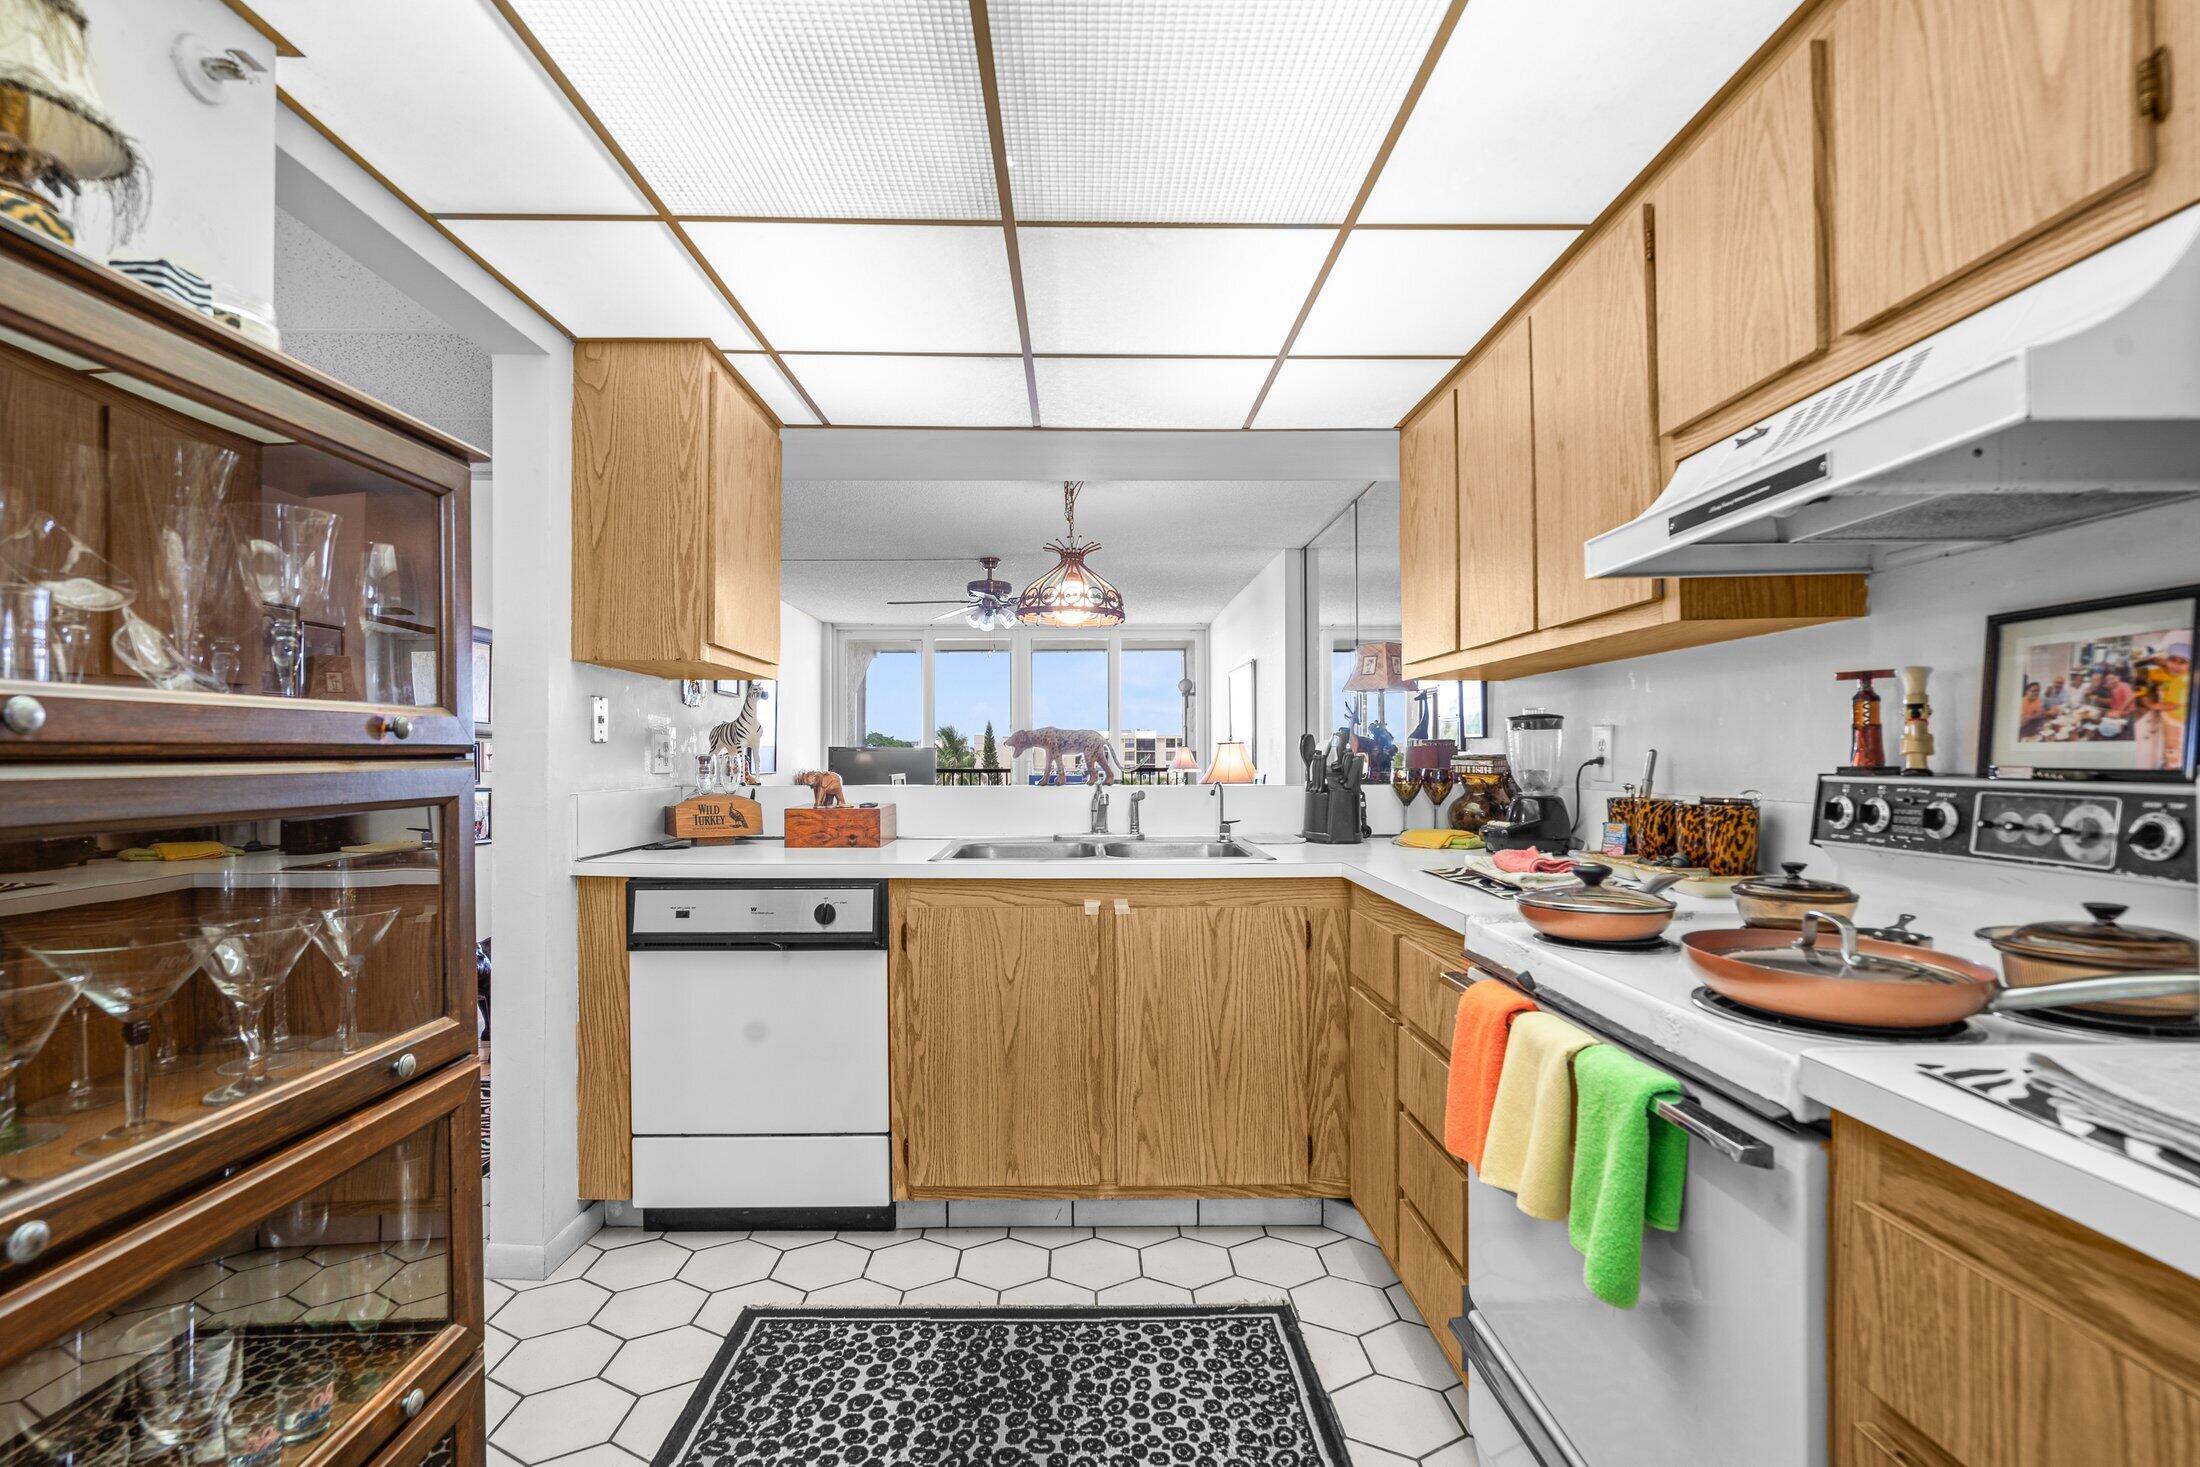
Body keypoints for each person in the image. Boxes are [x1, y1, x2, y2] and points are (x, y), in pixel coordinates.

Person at [2135, 641, 2191, 770]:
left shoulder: (2184, 680)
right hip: (2172, 717)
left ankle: (2173, 767)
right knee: (2172, 744)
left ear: (2191, 664)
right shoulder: (2174, 674)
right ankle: (2172, 762)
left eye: (2182, 662)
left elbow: (2173, 705)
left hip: (2177, 720)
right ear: (2167, 661)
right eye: (2173, 660)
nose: (2176, 665)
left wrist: (2152, 704)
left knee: (2173, 746)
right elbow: (2159, 672)